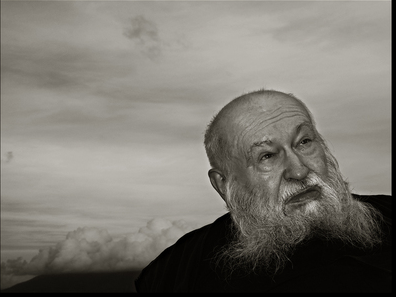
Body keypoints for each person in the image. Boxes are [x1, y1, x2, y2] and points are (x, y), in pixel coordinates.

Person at [135, 89, 391, 292]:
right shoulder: (179, 272)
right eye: (267, 156)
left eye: (304, 142)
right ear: (223, 184)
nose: (299, 171)